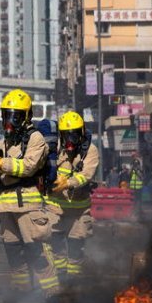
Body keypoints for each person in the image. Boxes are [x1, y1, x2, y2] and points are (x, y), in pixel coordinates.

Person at [0, 89, 60, 298]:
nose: (10, 120)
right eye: (7, 114)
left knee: (36, 251)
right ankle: (21, 291)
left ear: (26, 116)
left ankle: (53, 293)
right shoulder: (6, 140)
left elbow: (27, 167)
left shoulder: (35, 138)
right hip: (5, 205)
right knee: (13, 252)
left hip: (27, 204)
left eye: (15, 115)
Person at [46, 111, 99, 285]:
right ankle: (60, 275)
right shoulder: (55, 149)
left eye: (75, 134)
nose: (71, 138)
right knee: (55, 242)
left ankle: (73, 282)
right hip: (55, 207)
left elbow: (86, 175)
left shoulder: (90, 150)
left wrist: (67, 183)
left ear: (82, 132)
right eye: (67, 134)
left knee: (76, 245)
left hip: (79, 209)